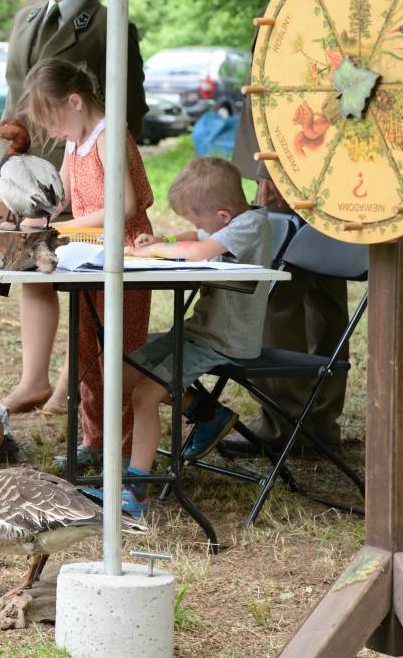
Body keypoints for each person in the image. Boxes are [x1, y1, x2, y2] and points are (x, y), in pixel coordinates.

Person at [226, 0, 362, 456]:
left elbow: (339, 84)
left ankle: (292, 427)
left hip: (312, 160)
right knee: (316, 295)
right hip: (305, 159)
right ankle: (313, 426)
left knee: (289, 291)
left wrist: (275, 166)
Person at [91, 157, 272, 519]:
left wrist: (150, 251)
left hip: (224, 340)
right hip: (197, 330)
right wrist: (166, 240)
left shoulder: (252, 224)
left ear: (223, 215)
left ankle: (135, 491)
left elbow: (201, 249)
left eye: (197, 219)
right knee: (116, 372)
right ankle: (208, 415)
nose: (196, 227)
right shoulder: (230, 222)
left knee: (145, 393)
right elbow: (198, 238)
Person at [4, 59, 154, 472]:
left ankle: (122, 451)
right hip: (88, 257)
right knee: (87, 350)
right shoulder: (76, 142)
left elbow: (121, 207)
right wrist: (31, 210)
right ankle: (95, 440)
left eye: (51, 121)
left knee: (117, 354)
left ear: (74, 101)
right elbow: (60, 200)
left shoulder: (109, 136)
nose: (51, 134)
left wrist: (58, 225)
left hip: (123, 258)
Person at [0, 0, 148, 195]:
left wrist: (95, 171)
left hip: (70, 182)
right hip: (13, 172)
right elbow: (15, 96)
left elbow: (129, 112)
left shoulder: (109, 27)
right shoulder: (23, 20)